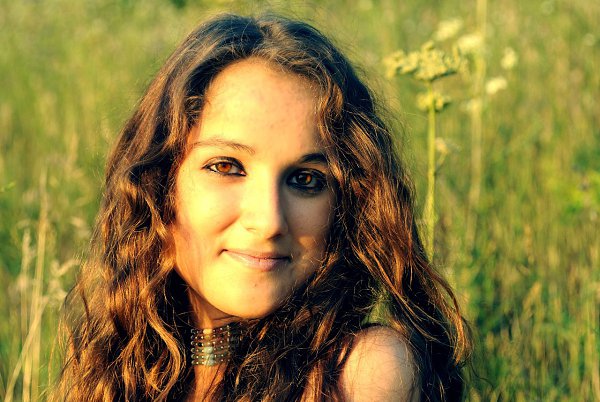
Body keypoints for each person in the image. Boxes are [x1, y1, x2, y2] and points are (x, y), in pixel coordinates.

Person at [54, 13, 471, 401]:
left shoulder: (356, 372)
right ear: (159, 183)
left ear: (346, 205)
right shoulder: (121, 371)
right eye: (226, 167)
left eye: (306, 180)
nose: (269, 220)